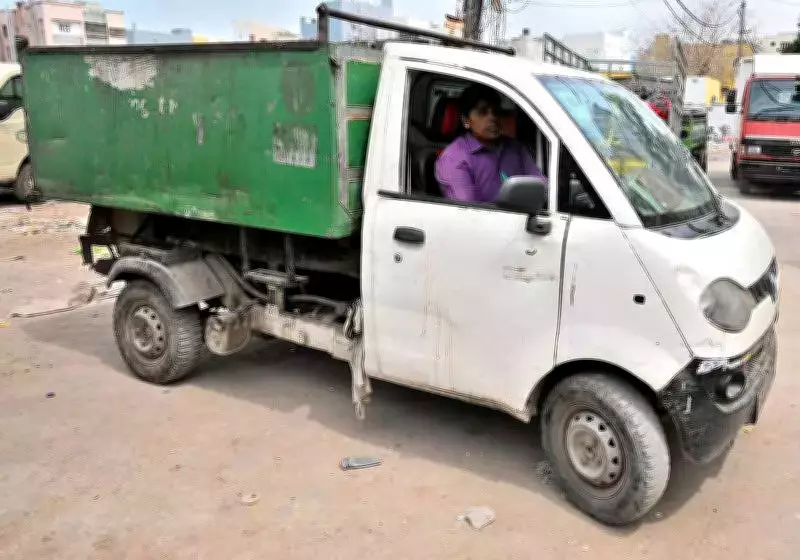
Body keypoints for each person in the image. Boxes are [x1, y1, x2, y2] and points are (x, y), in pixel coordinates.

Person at [435, 84, 546, 203]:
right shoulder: (454, 158)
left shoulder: (515, 148)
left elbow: (541, 187)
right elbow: (469, 208)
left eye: (496, 112)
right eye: (483, 112)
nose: (493, 118)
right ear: (466, 120)